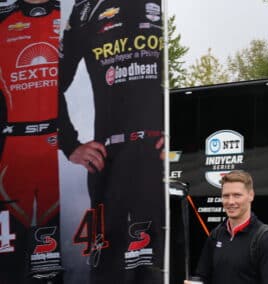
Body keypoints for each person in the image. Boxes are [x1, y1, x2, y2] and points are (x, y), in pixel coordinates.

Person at [58, 0, 164, 283]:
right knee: (107, 267)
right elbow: (51, 83)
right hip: (110, 159)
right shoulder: (85, 9)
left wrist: (181, 132)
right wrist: (70, 144)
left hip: (159, 161)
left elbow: (187, 73)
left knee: (159, 265)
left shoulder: (167, 4)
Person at [0, 0, 62, 282]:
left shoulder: (71, 15)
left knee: (58, 246)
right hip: (15, 145)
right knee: (12, 247)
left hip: (59, 148)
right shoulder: (4, 18)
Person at [185, 170, 268, 284]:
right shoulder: (216, 235)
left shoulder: (267, 240)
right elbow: (203, 277)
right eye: (226, 196)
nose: (230, 201)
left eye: (237, 195)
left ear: (251, 195)